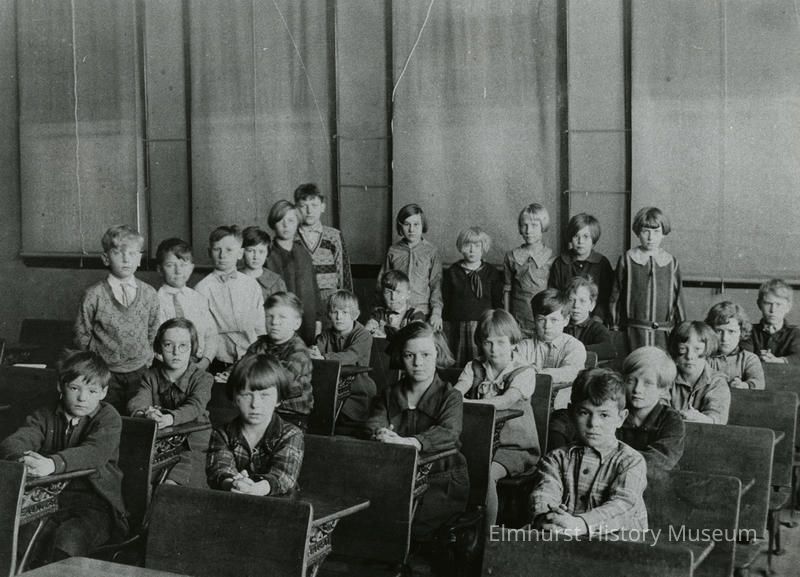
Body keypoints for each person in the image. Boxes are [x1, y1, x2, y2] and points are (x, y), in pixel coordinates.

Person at [0, 351, 127, 566]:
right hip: (49, 501)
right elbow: (17, 440)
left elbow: (94, 452)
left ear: (103, 393)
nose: (82, 398)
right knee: (22, 539)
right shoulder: (46, 413)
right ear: (61, 386)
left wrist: (52, 464)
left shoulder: (108, 417)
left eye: (92, 391)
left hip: (95, 504)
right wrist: (23, 459)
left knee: (69, 540)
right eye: (75, 388)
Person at [366, 322, 469, 542]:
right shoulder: (389, 394)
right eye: (409, 355)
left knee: (409, 529)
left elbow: (449, 432)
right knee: (375, 523)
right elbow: (374, 423)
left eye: (426, 355)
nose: (418, 363)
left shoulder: (450, 396)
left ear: (437, 354)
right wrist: (381, 434)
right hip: (398, 476)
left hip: (441, 480)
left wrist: (411, 442)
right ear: (400, 357)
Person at [530, 368, 648, 537]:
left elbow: (623, 505)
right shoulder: (556, 459)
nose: (593, 423)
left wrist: (581, 524)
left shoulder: (631, 461)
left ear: (621, 418)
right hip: (566, 538)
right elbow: (544, 493)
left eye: (604, 415)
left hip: (620, 545)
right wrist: (546, 516)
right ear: (571, 413)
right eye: (584, 413)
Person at [454, 309, 538, 531]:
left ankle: (487, 534)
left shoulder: (524, 372)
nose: (494, 349)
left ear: (513, 343)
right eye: (487, 342)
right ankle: (460, 526)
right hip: (478, 443)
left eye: (501, 342)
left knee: (486, 474)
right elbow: (456, 393)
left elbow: (506, 400)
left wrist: (467, 403)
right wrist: (456, 398)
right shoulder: (474, 367)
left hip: (514, 447)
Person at [74, 224, 159, 411]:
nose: (126, 259)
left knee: (138, 416)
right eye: (118, 253)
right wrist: (96, 366)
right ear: (106, 258)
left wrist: (147, 359)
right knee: (107, 416)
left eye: (132, 253)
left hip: (140, 371)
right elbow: (82, 333)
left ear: (139, 258)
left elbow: (153, 329)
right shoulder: (94, 295)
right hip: (105, 373)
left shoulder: (149, 293)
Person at [127, 318, 213, 486]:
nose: (176, 352)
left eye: (183, 346)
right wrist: (145, 413)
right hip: (161, 440)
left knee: (180, 482)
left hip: (194, 442)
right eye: (168, 345)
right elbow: (138, 400)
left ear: (193, 348)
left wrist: (170, 418)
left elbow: (195, 405)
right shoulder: (150, 376)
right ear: (159, 348)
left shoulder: (203, 378)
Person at [206, 354, 304, 496]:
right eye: (246, 395)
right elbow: (219, 469)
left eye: (265, 396)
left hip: (279, 503)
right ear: (234, 398)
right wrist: (234, 483)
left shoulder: (291, 434)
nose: (255, 404)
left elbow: (283, 476)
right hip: (233, 498)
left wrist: (256, 488)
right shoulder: (222, 433)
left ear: (278, 400)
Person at [610, 206, 684, 351]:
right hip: (634, 333)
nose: (651, 238)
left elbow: (678, 300)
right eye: (646, 231)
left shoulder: (671, 262)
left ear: (663, 233)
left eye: (656, 232)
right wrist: (615, 326)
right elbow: (615, 297)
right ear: (638, 232)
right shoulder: (627, 259)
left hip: (663, 335)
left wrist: (682, 329)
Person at [194, 225, 265, 373]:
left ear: (240, 253)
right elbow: (204, 333)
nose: (222, 255)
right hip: (218, 360)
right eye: (217, 249)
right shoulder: (202, 289)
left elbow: (260, 328)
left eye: (229, 250)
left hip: (251, 357)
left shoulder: (251, 285)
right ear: (209, 252)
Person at [311, 290, 377, 435]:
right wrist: (313, 353)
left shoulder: (363, 335)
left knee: (338, 421)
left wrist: (324, 358)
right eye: (335, 312)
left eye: (345, 312)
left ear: (355, 315)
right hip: (330, 387)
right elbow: (316, 351)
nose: (339, 317)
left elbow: (351, 355)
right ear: (329, 314)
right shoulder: (326, 335)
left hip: (357, 389)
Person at [246, 292, 314, 430]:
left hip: (291, 413)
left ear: (296, 323)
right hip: (262, 407)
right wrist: (230, 374)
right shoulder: (259, 344)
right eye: (269, 316)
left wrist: (248, 376)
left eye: (282, 317)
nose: (274, 322)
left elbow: (280, 381)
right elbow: (243, 366)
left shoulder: (299, 352)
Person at [618, 347, 685, 482]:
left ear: (663, 389)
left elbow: (660, 460)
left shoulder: (671, 421)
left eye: (647, 383)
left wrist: (615, 462)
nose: (637, 389)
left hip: (657, 486)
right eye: (631, 380)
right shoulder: (616, 413)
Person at [515, 288, 587, 409]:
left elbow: (570, 372)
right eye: (541, 320)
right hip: (528, 407)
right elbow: (515, 372)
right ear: (534, 320)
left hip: (563, 408)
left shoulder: (575, 346)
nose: (547, 326)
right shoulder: (524, 346)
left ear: (566, 320)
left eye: (554, 320)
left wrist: (537, 372)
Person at [442, 227, 504, 366]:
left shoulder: (491, 272)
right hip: (458, 326)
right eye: (467, 245)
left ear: (484, 247)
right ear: (460, 247)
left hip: (483, 325)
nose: (472, 250)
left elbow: (497, 302)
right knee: (458, 363)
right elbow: (446, 302)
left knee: (481, 363)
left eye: (477, 246)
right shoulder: (453, 272)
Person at [377, 203, 443, 330]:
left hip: (422, 312)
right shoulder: (393, 251)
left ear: (422, 225)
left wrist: (436, 313)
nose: (411, 229)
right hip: (396, 313)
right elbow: (382, 283)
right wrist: (378, 312)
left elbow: (436, 285)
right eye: (407, 224)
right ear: (400, 226)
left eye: (416, 224)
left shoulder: (431, 252)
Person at [265, 200, 323, 346]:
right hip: (278, 326)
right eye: (280, 220)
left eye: (291, 220)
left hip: (307, 324)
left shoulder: (303, 253)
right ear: (273, 224)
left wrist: (318, 321)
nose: (286, 225)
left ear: (297, 223)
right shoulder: (267, 255)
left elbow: (314, 291)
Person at [155, 238, 216, 371]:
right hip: (166, 367)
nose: (178, 271)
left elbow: (211, 335)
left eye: (183, 265)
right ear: (160, 269)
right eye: (170, 265)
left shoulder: (198, 299)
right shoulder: (154, 301)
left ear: (191, 267)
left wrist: (205, 361)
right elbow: (153, 342)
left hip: (199, 366)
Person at [548, 213, 614, 324]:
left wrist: (597, 318)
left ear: (593, 239)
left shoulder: (602, 263)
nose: (580, 241)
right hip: (565, 319)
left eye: (586, 237)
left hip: (594, 320)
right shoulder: (560, 263)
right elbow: (554, 294)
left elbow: (606, 297)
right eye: (576, 236)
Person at [294, 183, 353, 303]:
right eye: (303, 206)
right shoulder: (292, 238)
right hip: (300, 299)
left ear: (322, 207)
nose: (309, 211)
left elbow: (343, 272)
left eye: (314, 205)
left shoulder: (334, 236)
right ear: (296, 209)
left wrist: (347, 302)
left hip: (330, 300)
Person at [504, 203, 555, 337]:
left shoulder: (551, 258)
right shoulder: (511, 256)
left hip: (542, 320)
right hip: (517, 320)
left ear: (543, 227)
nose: (528, 230)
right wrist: (508, 319)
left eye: (534, 225)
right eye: (524, 225)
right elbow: (507, 290)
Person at [668, 321, 730, 424]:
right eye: (682, 349)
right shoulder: (666, 377)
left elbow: (717, 418)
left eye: (697, 349)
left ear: (707, 349)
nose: (689, 356)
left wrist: (705, 419)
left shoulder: (717, 382)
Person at [705, 301, 765, 389]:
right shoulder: (705, 357)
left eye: (731, 331)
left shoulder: (749, 359)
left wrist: (744, 385)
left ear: (741, 332)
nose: (725, 338)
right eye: (719, 331)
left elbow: (758, 383)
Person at [741, 279, 800, 364]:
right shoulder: (748, 331)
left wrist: (778, 361)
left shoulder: (796, 334)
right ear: (759, 304)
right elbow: (743, 357)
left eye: (778, 304)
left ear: (788, 307)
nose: (773, 310)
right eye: (768, 303)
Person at [564, 277, 616, 361]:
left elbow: (609, 350)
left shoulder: (597, 328)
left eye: (582, 301)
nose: (576, 305)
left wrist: (575, 349)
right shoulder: (561, 325)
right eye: (571, 300)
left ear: (592, 305)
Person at [365, 270, 426, 338]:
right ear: (382, 294)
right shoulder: (378, 313)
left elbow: (414, 338)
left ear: (408, 294)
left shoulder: (416, 314)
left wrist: (387, 337)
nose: (393, 297)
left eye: (398, 292)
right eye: (388, 292)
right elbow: (366, 332)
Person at [240, 226, 287, 303]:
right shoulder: (233, 277)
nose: (256, 256)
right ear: (242, 251)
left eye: (261, 252)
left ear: (267, 253)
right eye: (250, 251)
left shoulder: (277, 282)